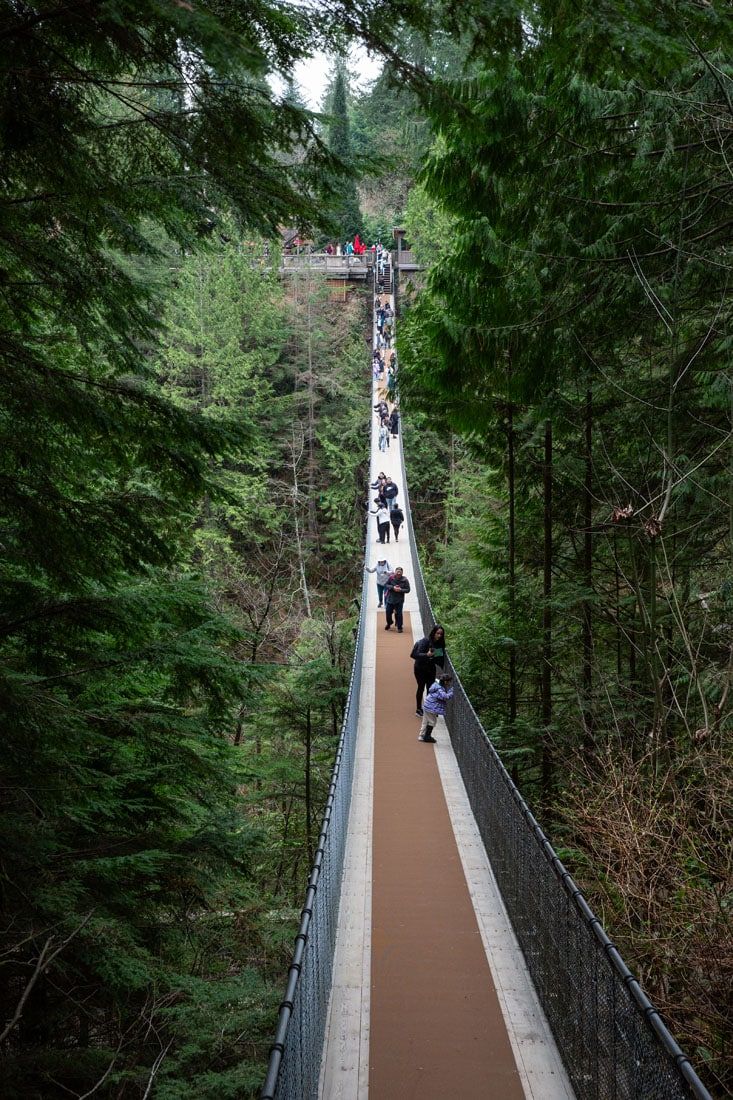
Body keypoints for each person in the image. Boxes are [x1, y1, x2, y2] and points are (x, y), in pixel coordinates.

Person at [410, 625, 446, 715]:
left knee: (431, 689)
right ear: (433, 632)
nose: (439, 636)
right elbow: (414, 655)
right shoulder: (425, 641)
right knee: (421, 687)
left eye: (441, 634)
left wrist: (440, 653)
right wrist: (427, 655)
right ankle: (418, 709)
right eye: (437, 633)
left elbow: (439, 657)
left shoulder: (440, 644)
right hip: (420, 669)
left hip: (431, 669)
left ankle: (429, 708)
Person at [418, 675, 454, 742]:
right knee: (432, 721)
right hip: (431, 707)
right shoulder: (440, 689)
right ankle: (427, 736)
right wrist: (452, 692)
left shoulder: (436, 684)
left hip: (427, 705)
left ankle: (421, 735)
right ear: (445, 682)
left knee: (425, 721)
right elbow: (445, 697)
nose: (449, 683)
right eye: (449, 682)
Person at [384, 567, 410, 632]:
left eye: (400, 572)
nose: (398, 573)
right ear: (395, 572)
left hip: (399, 600)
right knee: (388, 613)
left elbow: (408, 590)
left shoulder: (405, 580)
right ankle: (389, 623)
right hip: (390, 599)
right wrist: (393, 588)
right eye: (397, 572)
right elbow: (386, 585)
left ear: (402, 573)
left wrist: (401, 590)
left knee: (399, 614)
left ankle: (399, 627)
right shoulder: (391, 578)